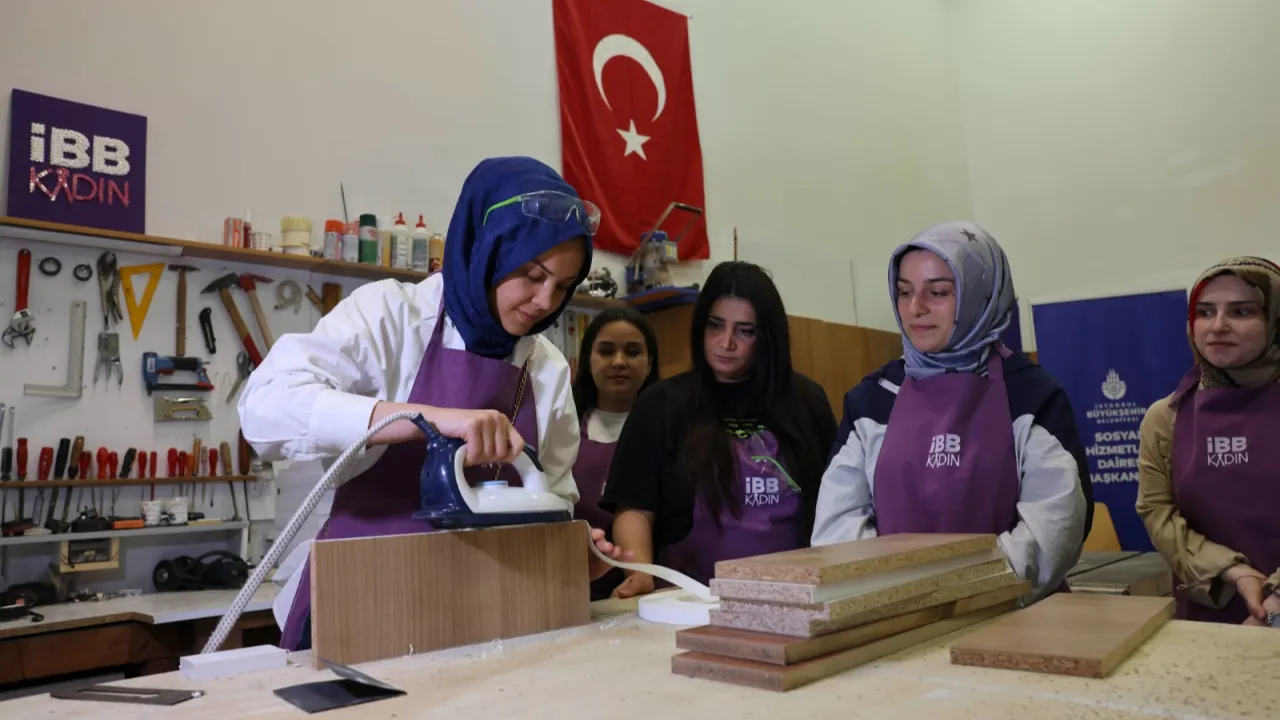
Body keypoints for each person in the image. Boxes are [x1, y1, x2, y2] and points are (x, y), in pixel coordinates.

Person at [238, 156, 627, 650]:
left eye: (564, 286)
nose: (546, 302)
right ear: (486, 248)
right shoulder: (390, 315)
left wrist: (569, 553)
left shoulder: (545, 366)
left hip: (487, 613)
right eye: (532, 274)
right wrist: (427, 419)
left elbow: (554, 496)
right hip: (364, 599)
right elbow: (266, 408)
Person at [811, 221, 1092, 604]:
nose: (915, 308)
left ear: (980, 295)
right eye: (904, 292)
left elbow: (1053, 530)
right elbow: (837, 529)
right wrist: (904, 598)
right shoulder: (872, 399)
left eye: (938, 292)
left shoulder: (1031, 395)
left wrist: (953, 596)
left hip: (1011, 616)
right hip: (897, 619)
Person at [600, 261, 838, 595]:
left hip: (797, 594)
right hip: (690, 599)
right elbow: (635, 508)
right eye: (715, 326)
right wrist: (640, 571)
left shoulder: (807, 402)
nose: (726, 343)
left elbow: (838, 501)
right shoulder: (660, 404)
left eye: (745, 331)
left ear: (767, 337)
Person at [1136, 256, 1280, 626]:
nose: (1218, 326)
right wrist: (1234, 572)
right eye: (1205, 312)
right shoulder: (1165, 417)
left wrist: (1274, 606)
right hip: (1210, 611)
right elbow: (1158, 513)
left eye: (1241, 311)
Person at [571, 306, 662, 600]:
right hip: (574, 586)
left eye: (632, 352)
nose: (619, 361)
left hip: (652, 589)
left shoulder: (672, 428)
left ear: (650, 363)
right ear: (588, 360)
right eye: (606, 351)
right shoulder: (561, 427)